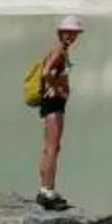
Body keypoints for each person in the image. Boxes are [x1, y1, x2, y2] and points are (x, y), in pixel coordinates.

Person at [31, 15, 82, 210]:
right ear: (61, 33)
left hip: (51, 101)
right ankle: (48, 190)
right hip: (54, 102)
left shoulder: (59, 49)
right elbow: (46, 73)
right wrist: (57, 88)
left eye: (74, 33)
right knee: (53, 147)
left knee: (49, 147)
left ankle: (45, 188)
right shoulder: (59, 50)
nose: (72, 36)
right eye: (68, 33)